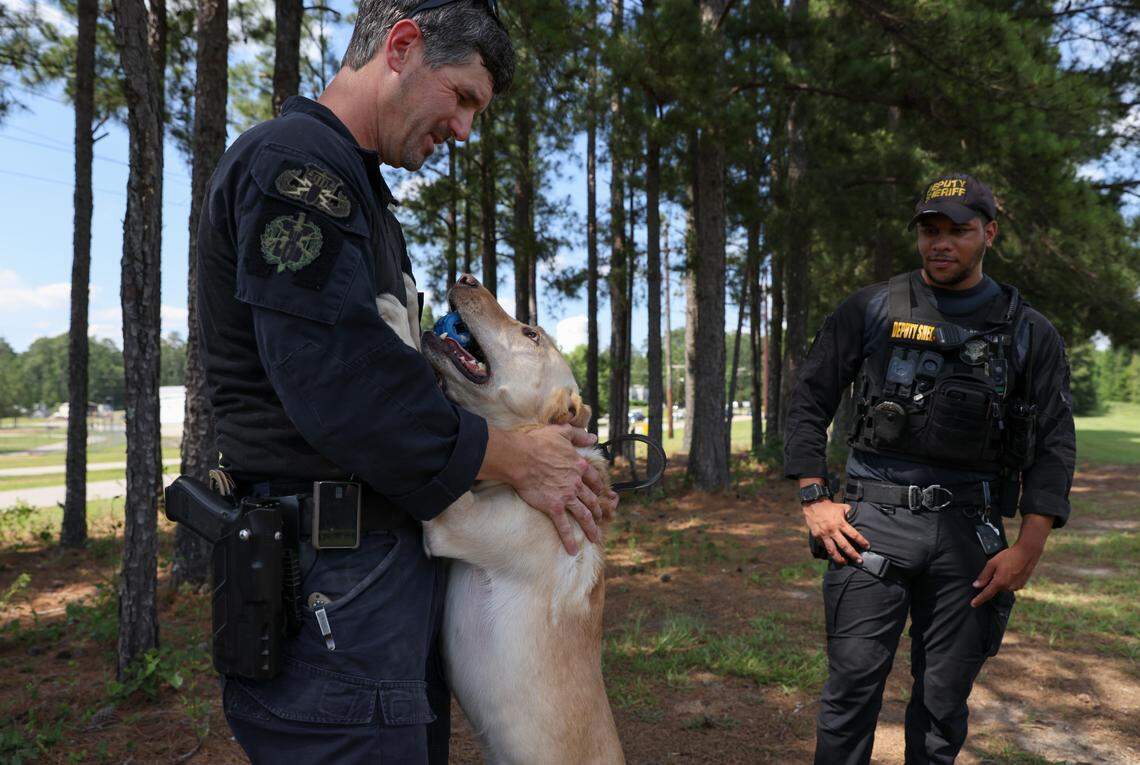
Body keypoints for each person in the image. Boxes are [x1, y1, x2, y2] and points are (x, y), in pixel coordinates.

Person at [195, 1, 618, 761]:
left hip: (371, 601)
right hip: (331, 602)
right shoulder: (297, 171)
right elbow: (347, 390)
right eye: (461, 98)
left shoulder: (357, 196)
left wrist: (561, 469)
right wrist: (519, 459)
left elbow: (392, 382)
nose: (463, 130)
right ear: (402, 47)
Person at [783, 173, 1076, 765]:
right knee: (850, 693)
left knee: (943, 705)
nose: (941, 243)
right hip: (869, 526)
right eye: (930, 230)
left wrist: (1029, 548)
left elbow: (1054, 443)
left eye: (958, 231)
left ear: (988, 233)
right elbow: (809, 399)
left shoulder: (1028, 331)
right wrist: (815, 498)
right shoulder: (871, 308)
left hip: (970, 537)